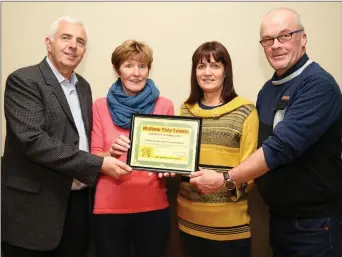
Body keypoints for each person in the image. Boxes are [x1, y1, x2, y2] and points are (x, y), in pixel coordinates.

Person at [190, 8, 342, 257]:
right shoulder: (268, 90)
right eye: (268, 40)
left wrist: (225, 179)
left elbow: (281, 147)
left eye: (285, 36)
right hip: (280, 218)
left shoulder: (317, 85)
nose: (276, 46)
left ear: (303, 38)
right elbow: (260, 147)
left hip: (316, 224)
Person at [1, 16, 132, 257]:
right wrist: (99, 163)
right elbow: (34, 143)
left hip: (78, 205)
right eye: (66, 38)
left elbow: (77, 143)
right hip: (34, 210)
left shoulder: (83, 86)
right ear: (49, 43)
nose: (73, 45)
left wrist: (103, 155)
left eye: (80, 42)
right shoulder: (24, 81)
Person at [91, 39, 174, 257]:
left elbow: (170, 155)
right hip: (108, 208)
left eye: (142, 66)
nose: (136, 73)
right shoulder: (100, 106)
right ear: (117, 69)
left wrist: (172, 165)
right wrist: (110, 154)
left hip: (153, 206)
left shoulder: (164, 105)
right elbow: (91, 157)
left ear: (149, 69)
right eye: (129, 65)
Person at [176, 41, 259, 257]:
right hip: (188, 223)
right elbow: (180, 161)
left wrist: (221, 182)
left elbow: (252, 172)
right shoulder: (185, 110)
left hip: (229, 230)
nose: (207, 72)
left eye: (215, 65)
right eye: (201, 66)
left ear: (226, 71)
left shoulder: (245, 111)